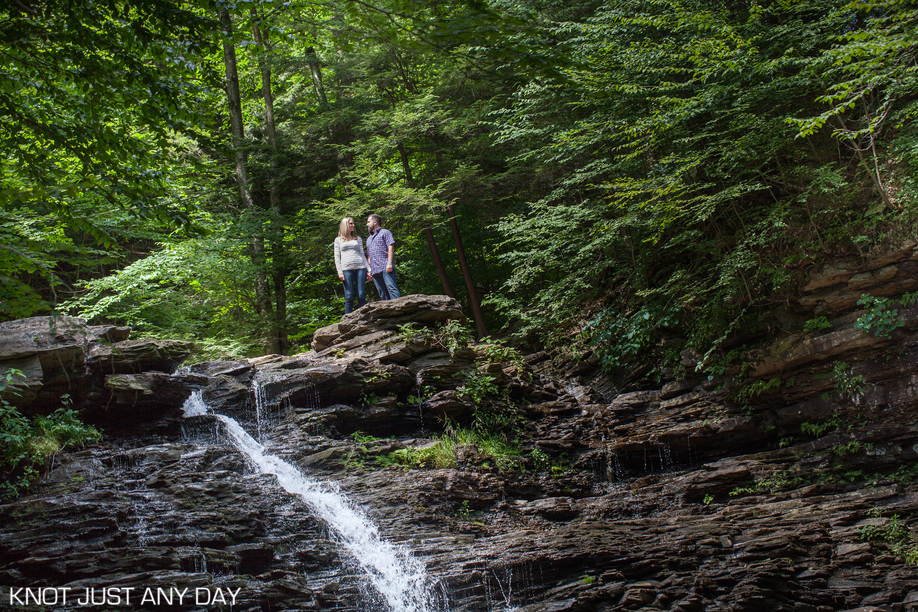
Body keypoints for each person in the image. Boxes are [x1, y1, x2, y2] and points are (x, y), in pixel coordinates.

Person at [333, 217, 372, 314]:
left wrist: (369, 269)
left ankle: (364, 319)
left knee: (361, 295)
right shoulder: (338, 240)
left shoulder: (357, 238)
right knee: (349, 296)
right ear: (345, 225)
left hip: (360, 268)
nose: (353, 225)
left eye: (353, 223)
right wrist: (340, 272)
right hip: (346, 269)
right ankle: (347, 321)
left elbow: (362, 255)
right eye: (351, 223)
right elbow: (337, 257)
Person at [365, 213, 401, 300]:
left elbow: (391, 248)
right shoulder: (368, 239)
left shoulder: (385, 232)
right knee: (382, 294)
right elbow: (369, 256)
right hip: (375, 270)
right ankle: (388, 313)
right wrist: (369, 270)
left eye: (368, 222)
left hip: (385, 266)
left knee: (392, 290)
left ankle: (400, 310)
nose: (367, 224)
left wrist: (389, 263)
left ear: (375, 222)